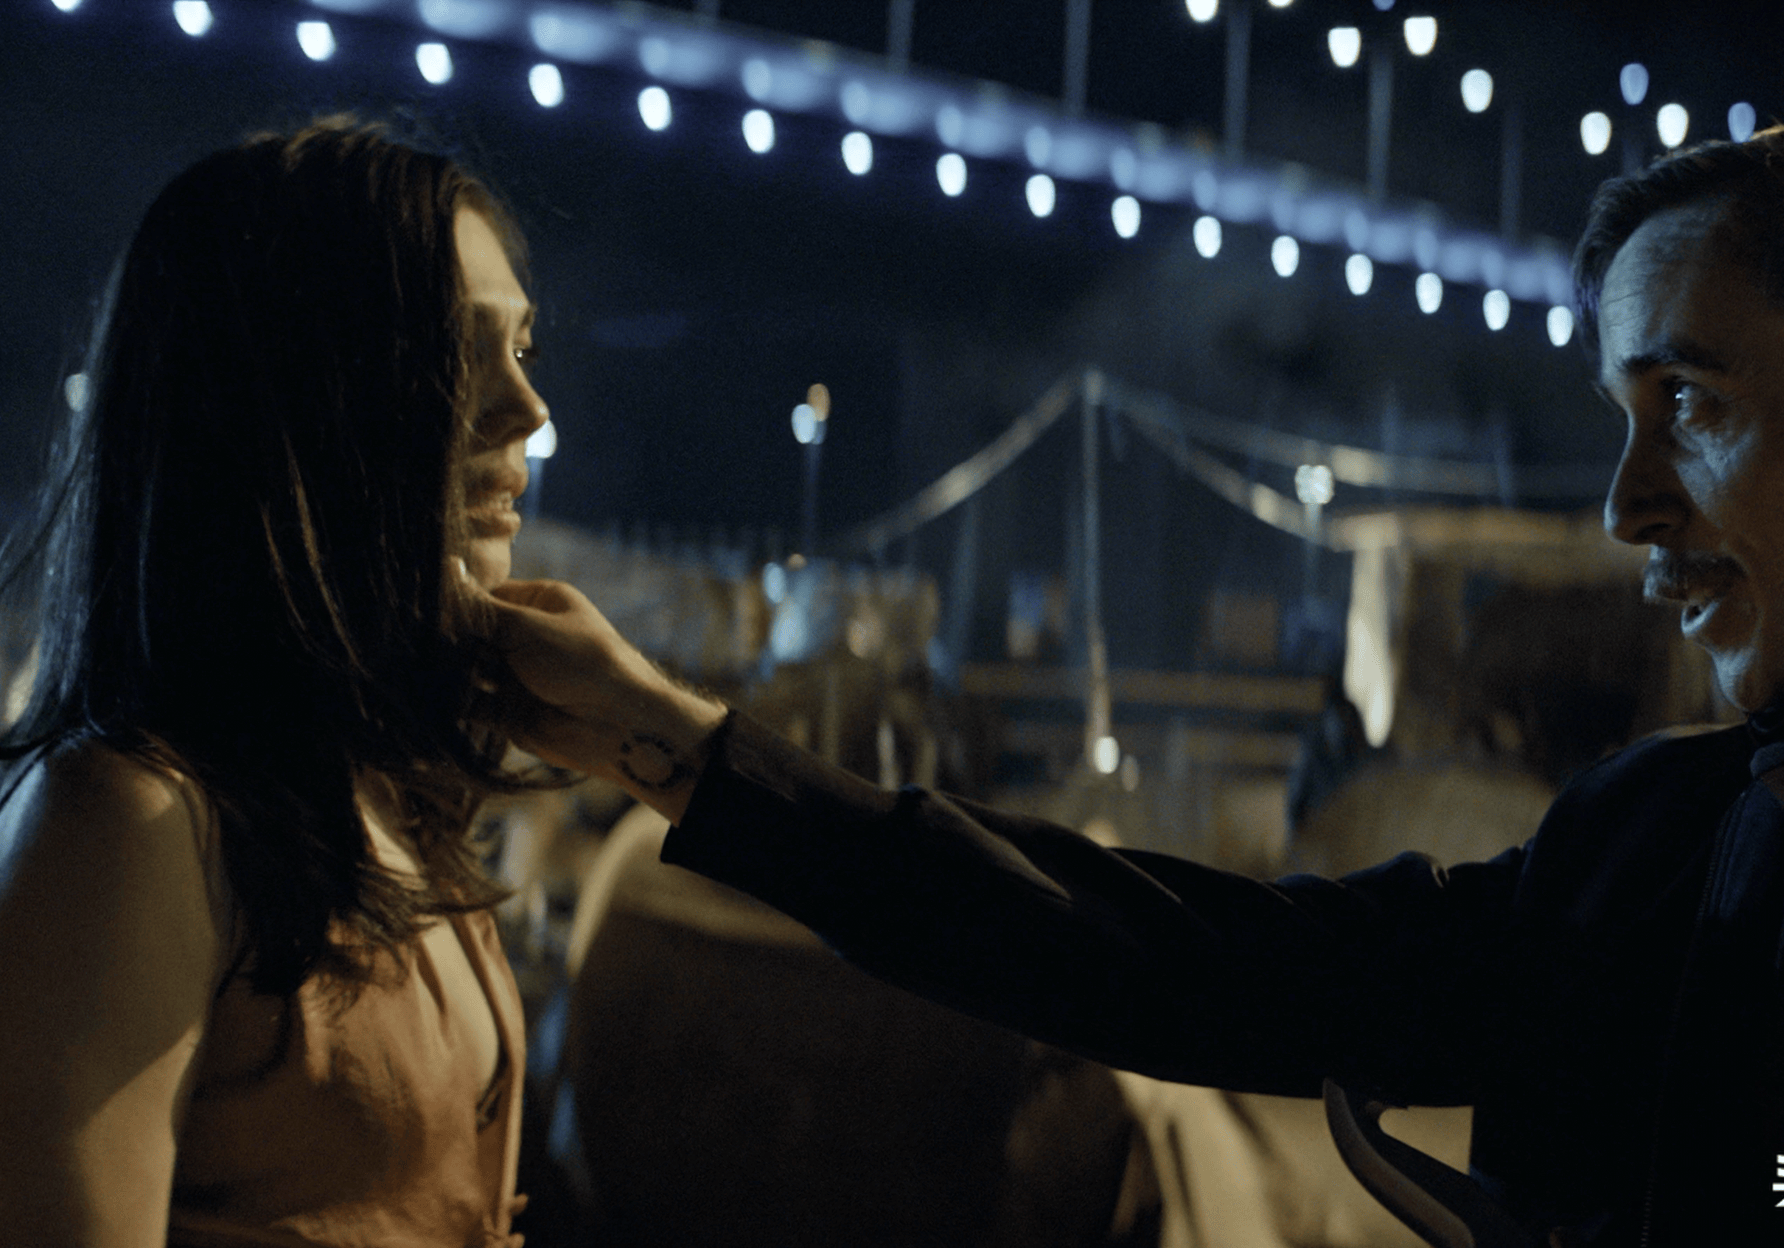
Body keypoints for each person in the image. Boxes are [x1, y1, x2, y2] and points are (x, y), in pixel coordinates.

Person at [475, 128, 1784, 1245]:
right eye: (1624, 416)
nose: (1625, 507)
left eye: (1690, 403)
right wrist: (683, 751)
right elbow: (1180, 961)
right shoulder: (1642, 849)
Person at [0, 118, 550, 1245]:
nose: (528, 411)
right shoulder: (129, 826)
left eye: (523, 350)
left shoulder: (381, 788)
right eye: (456, 353)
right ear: (296, 397)